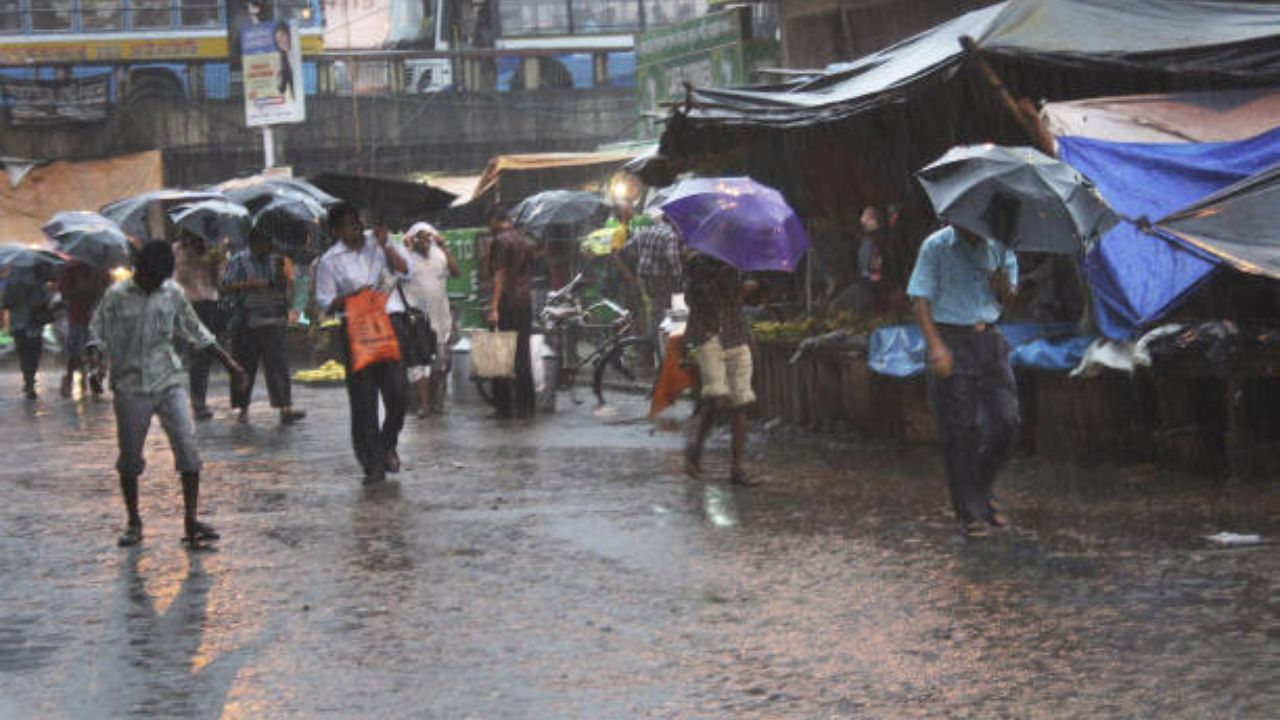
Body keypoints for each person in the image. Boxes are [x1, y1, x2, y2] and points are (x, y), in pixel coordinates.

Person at [85, 241, 247, 548]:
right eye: (150, 278)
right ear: (139, 270)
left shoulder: (172, 293)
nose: (155, 284)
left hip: (168, 381)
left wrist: (230, 364)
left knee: (188, 450)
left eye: (160, 279)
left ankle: (191, 519)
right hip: (130, 387)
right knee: (130, 458)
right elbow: (97, 332)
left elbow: (195, 330)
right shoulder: (116, 297)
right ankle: (133, 521)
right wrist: (96, 363)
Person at [907, 223, 1019, 539]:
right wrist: (936, 346)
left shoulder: (1000, 245)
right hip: (950, 337)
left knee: (1007, 422)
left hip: (990, 338)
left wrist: (1002, 286)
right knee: (961, 429)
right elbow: (920, 300)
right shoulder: (936, 246)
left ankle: (979, 488)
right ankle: (969, 511)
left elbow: (1011, 300)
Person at [314, 203, 410, 484]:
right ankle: (372, 463)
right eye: (347, 223)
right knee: (364, 400)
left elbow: (405, 271)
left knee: (398, 393)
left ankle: (386, 443)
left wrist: (387, 245)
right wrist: (352, 296)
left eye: (356, 220)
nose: (354, 226)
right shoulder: (330, 261)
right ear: (336, 229)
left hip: (388, 323)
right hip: (356, 329)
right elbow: (325, 303)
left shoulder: (379, 242)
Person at [683, 252, 757, 486]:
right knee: (716, 398)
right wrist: (718, 278)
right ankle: (695, 450)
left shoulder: (740, 262)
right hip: (710, 335)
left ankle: (737, 468)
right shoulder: (698, 263)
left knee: (741, 402)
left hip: (736, 334)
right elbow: (692, 297)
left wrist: (747, 289)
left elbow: (745, 297)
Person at [221, 227, 306, 424]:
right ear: (255, 243)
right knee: (245, 366)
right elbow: (225, 285)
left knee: (278, 366)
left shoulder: (275, 261)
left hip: (273, 319)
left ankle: (286, 407)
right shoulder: (239, 260)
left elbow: (282, 288)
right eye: (266, 243)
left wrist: (279, 273)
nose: (269, 247)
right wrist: (248, 284)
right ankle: (243, 407)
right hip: (247, 320)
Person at [403, 221, 460, 417]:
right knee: (420, 363)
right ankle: (424, 406)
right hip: (417, 318)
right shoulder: (407, 258)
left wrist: (444, 246)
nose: (425, 240)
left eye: (428, 236)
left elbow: (456, 272)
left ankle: (432, 399)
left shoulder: (439, 255)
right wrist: (406, 249)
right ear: (414, 239)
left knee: (441, 362)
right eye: (420, 236)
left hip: (440, 317)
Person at [486, 207, 537, 419]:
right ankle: (526, 406)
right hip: (524, 302)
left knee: (501, 356)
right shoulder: (524, 240)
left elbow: (500, 275)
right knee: (522, 357)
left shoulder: (500, 241)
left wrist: (494, 307)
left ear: (497, 220)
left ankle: (504, 407)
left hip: (507, 304)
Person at [173, 230, 226, 419]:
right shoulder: (177, 250)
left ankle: (199, 401)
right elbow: (176, 279)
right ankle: (197, 403)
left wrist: (212, 264)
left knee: (204, 354)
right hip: (186, 304)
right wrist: (190, 255)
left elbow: (219, 282)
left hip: (209, 304)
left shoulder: (213, 251)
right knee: (194, 354)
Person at [624, 216, 683, 365]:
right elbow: (673, 260)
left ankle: (652, 353)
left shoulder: (648, 231)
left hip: (646, 279)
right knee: (670, 314)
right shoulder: (670, 235)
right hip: (662, 279)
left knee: (656, 313)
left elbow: (627, 248)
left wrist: (641, 260)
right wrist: (680, 277)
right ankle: (658, 353)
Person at [56, 260, 110, 398]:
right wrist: (79, 289)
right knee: (74, 352)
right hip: (77, 317)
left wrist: (96, 285)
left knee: (96, 352)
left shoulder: (101, 270)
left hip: (96, 318)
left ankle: (94, 381)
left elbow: (108, 291)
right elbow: (63, 294)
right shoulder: (70, 269)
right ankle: (69, 378)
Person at [3, 277, 54, 400]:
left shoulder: (13, 284)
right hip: (30, 325)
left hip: (22, 324)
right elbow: (47, 301)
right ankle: (29, 380)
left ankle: (29, 379)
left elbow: (6, 304)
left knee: (26, 353)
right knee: (31, 353)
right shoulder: (38, 283)